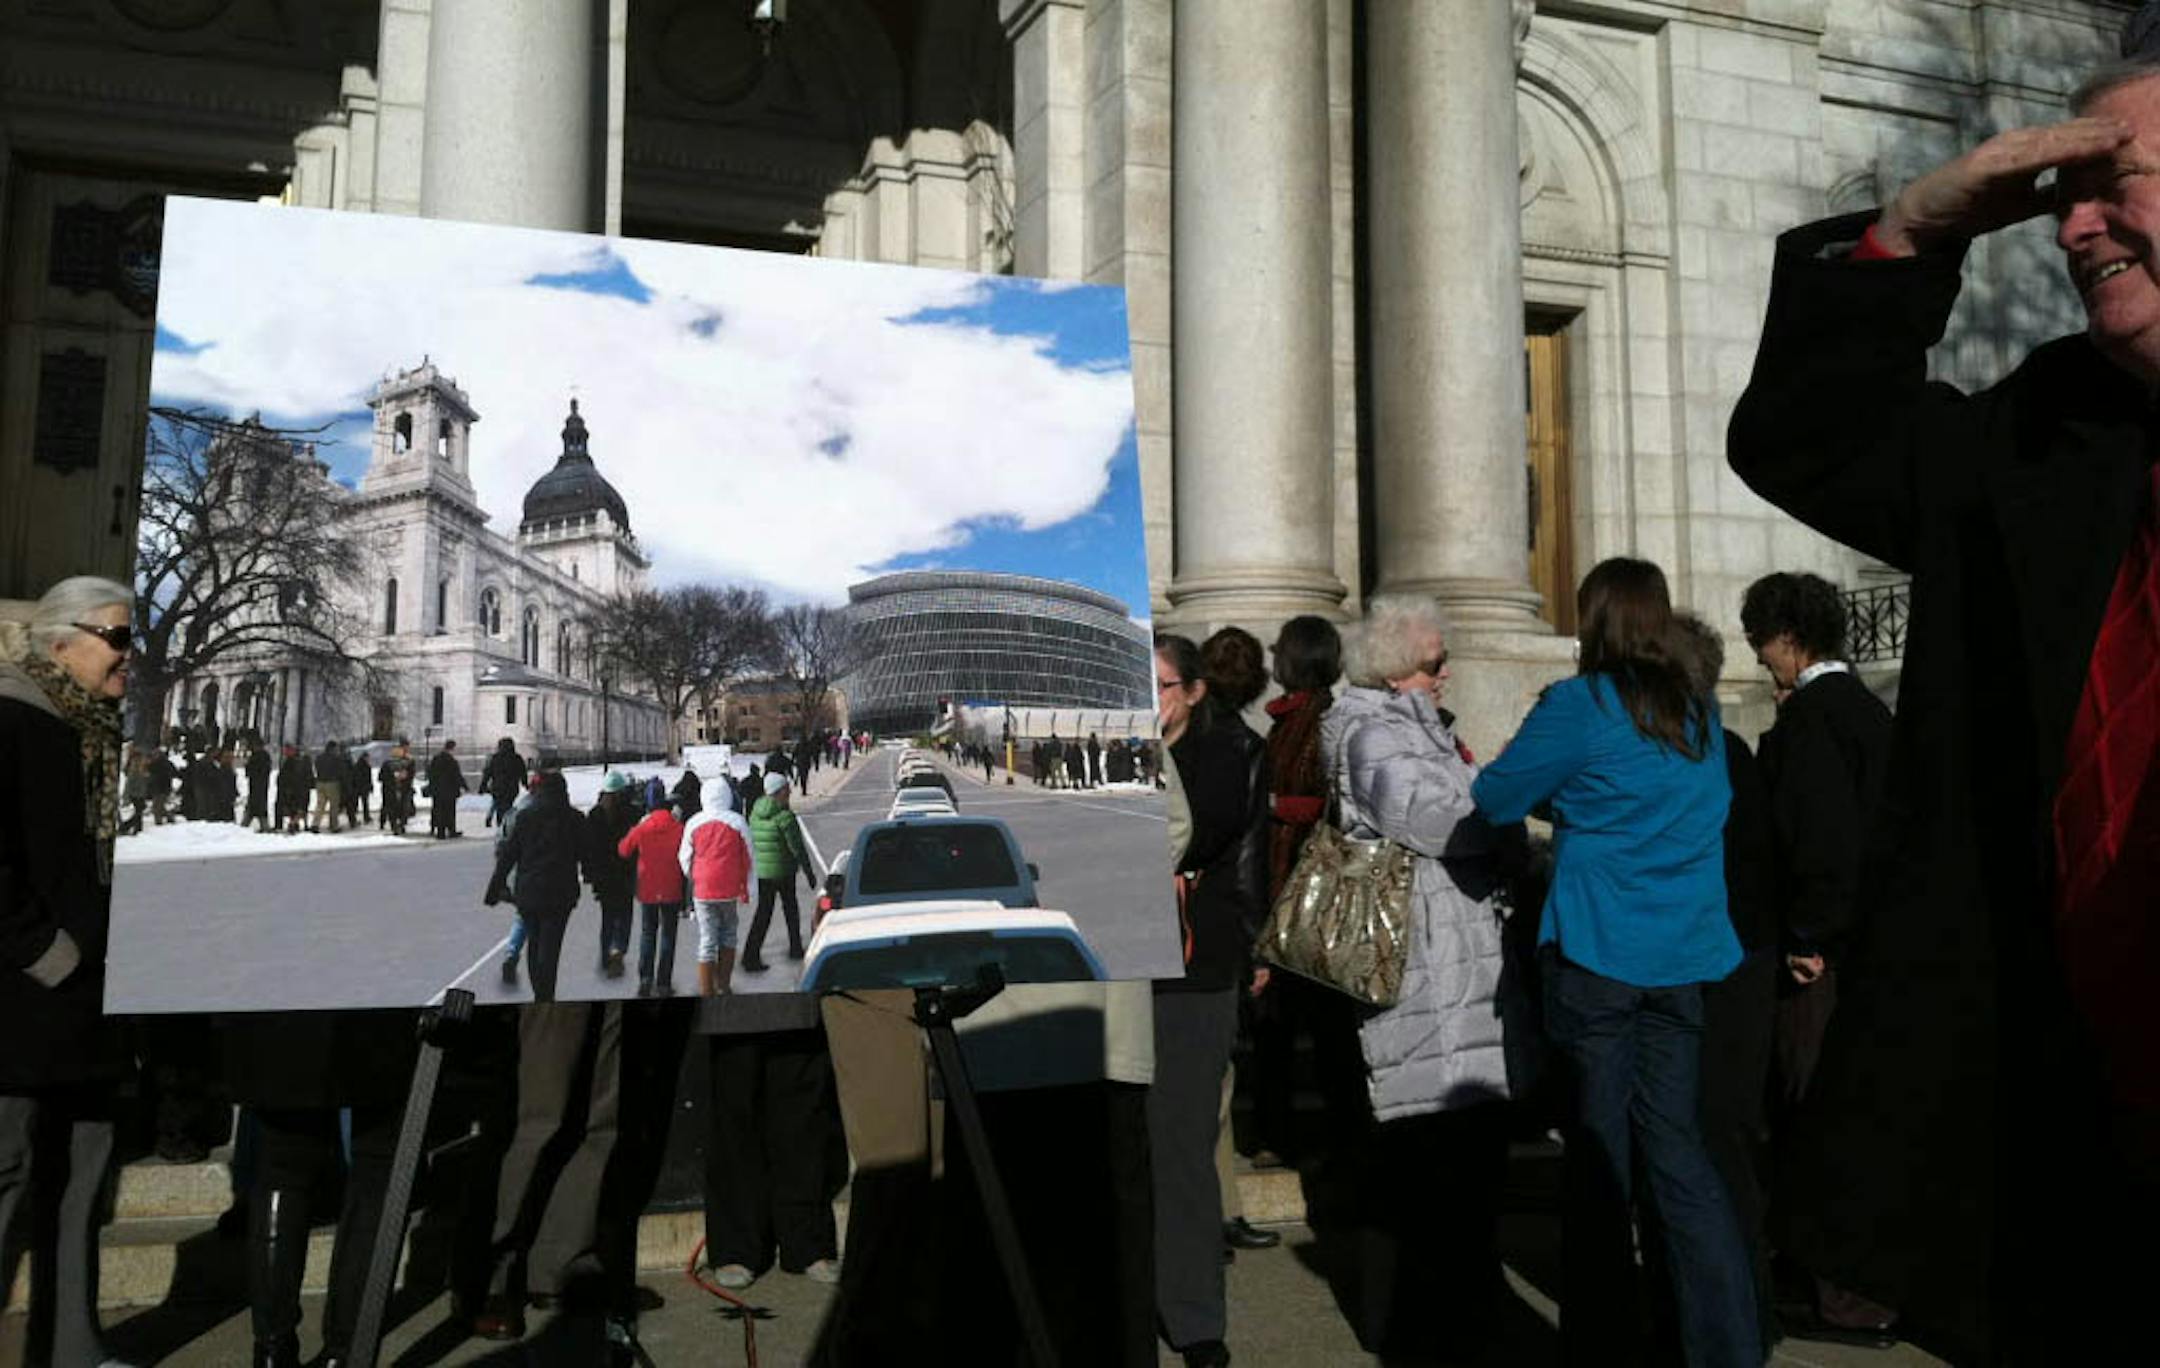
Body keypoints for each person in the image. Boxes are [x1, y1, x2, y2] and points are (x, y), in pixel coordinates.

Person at [1725, 31, 2160, 1359]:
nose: (2072, 229)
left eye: (2115, 185)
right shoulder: (2051, 429)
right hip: (2076, 1157)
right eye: (2062, 199)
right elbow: (1810, 439)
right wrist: (1910, 235)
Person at [1471, 558, 1757, 1368]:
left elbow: (1494, 795)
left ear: (1593, 620)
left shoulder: (1582, 703)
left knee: (1598, 1161)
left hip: (1601, 951)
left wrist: (1567, 802)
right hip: (1682, 955)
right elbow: (1703, 806)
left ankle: (1601, 1343)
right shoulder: (1696, 711)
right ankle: (1726, 1345)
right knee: (1678, 1154)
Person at [1319, 597, 1534, 1358]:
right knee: (1435, 1167)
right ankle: (1432, 1335)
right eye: (1436, 662)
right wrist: (1508, 803)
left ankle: (1453, 1324)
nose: (1447, 674)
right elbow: (1433, 821)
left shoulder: (1417, 727)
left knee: (1462, 1168)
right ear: (1396, 669)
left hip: (1457, 965)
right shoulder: (1374, 731)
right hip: (1425, 973)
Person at [1738, 572, 1897, 1344]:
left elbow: (1822, 843)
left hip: (1821, 962)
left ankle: (1846, 1296)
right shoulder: (1863, 711)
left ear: (1788, 639)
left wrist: (1808, 938)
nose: (1758, 656)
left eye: (1761, 641)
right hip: (1865, 951)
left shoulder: (1813, 721)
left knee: (1816, 1113)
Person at [0, 578, 139, 1368]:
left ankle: (74, 1351)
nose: (129, 654)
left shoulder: (101, 730)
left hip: (89, 1005)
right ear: (59, 642)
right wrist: (48, 954)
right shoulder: (14, 718)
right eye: (117, 636)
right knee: (8, 1174)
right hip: (23, 1001)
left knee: (82, 1178)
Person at [1664, 613, 1785, 1361]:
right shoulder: (1726, 749)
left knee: (1710, 1146)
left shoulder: (1699, 753)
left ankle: (1736, 1317)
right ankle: (1746, 1313)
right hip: (1742, 963)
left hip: (1719, 971)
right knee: (1723, 1145)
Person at [1150, 633, 1269, 1368]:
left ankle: (1193, 1317)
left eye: (1160, 686)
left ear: (1194, 693)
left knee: (1183, 1147)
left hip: (1195, 967)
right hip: (1122, 966)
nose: (1147, 701)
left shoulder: (1227, 752)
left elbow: (1191, 835)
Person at [1247, 615, 1367, 1173]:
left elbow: (1336, 803)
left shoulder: (1324, 720)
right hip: (1285, 886)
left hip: (1309, 891)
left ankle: (1336, 1137)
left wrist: (1273, 806)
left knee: (1319, 1026)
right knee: (1285, 1025)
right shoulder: (1288, 719)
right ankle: (1283, 1133)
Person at [484, 770, 586, 1003]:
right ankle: (545, 994)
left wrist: (494, 889)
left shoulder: (525, 817)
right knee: (551, 947)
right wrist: (594, 876)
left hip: (529, 891)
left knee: (534, 941)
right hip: (561, 893)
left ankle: (540, 991)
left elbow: (508, 855)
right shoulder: (575, 819)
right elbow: (587, 853)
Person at [679, 780, 755, 996]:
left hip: (703, 889)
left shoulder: (694, 822)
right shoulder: (737, 822)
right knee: (729, 933)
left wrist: (695, 876)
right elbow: (749, 857)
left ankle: (707, 989)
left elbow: (684, 857)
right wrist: (749, 887)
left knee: (707, 938)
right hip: (729, 888)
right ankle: (724, 984)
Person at [617, 790, 687, 996]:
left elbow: (623, 850)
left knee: (648, 933)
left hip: (647, 888)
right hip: (672, 888)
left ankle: (645, 979)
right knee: (668, 935)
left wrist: (636, 829)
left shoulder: (643, 828)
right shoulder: (680, 828)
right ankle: (663, 982)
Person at [743, 773, 814, 972]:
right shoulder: (785, 817)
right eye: (786, 789)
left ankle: (750, 955)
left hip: (763, 871)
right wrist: (808, 872)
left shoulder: (755, 813)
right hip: (784, 870)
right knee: (790, 909)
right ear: (778, 791)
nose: (789, 792)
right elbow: (797, 848)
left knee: (763, 913)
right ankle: (795, 948)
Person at [585, 771, 640, 979]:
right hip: (626, 872)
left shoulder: (595, 814)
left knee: (607, 917)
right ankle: (618, 950)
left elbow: (589, 848)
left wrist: (589, 873)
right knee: (625, 915)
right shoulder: (632, 812)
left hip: (604, 875)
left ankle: (604, 954)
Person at [482, 737, 526, 829]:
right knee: (508, 806)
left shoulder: (495, 758)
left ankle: (501, 825)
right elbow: (522, 772)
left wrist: (483, 785)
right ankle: (506, 824)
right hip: (512, 788)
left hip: (498, 788)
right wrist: (525, 783)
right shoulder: (516, 758)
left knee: (499, 807)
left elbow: (488, 773)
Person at [427, 737, 466, 839]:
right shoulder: (452, 761)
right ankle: (451, 830)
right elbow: (457, 776)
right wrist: (464, 786)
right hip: (450, 791)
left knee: (439, 811)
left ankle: (440, 832)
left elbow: (430, 773)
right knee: (450, 811)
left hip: (437, 790)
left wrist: (432, 785)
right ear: (452, 748)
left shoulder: (436, 759)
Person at [275, 744, 312, 836]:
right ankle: (294, 823)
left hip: (293, 789)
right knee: (297, 807)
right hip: (297, 789)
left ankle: (292, 823)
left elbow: (286, 776)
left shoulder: (292, 762)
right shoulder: (298, 761)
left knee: (293, 807)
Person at [311, 738, 345, 833]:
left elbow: (316, 768)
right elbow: (340, 771)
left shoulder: (319, 757)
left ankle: (315, 824)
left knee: (320, 805)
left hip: (320, 783)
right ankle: (334, 825)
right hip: (332, 783)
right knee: (334, 806)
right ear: (332, 748)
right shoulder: (336, 758)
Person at [244, 737, 272, 832]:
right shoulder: (264, 756)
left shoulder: (257, 757)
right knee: (259, 807)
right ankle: (264, 826)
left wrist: (250, 769)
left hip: (258, 785)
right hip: (259, 785)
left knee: (254, 807)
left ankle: (245, 826)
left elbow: (251, 770)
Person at [345, 741, 372, 827]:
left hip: (358, 787)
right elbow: (367, 778)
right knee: (364, 803)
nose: (369, 759)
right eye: (368, 757)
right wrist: (369, 786)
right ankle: (365, 817)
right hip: (362, 787)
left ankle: (356, 817)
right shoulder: (365, 766)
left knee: (357, 803)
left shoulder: (357, 765)